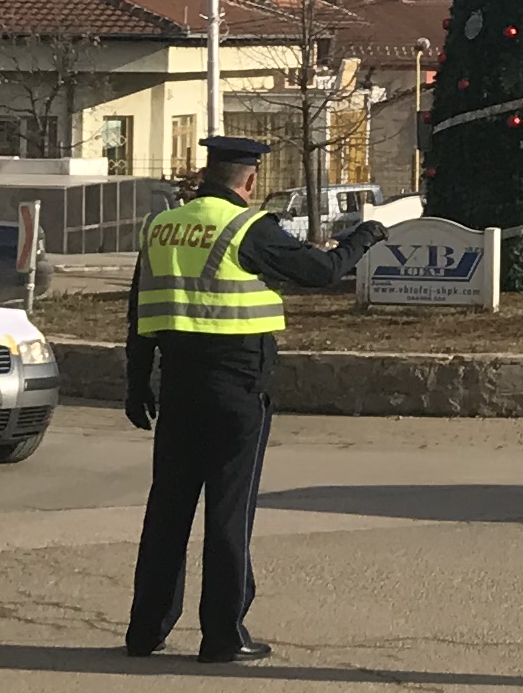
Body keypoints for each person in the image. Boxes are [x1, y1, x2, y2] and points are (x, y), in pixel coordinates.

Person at [123, 137, 352, 664]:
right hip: (236, 387)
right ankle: (223, 634)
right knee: (228, 510)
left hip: (177, 384)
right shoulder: (249, 227)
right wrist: (364, 237)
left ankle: (146, 630)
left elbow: (139, 314)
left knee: (168, 510)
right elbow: (320, 273)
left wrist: (137, 383)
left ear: (208, 174)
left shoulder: (162, 226)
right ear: (249, 182)